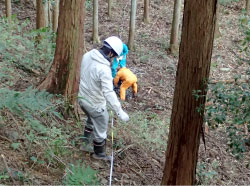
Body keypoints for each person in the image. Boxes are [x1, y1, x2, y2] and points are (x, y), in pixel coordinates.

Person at [78, 36, 129, 161]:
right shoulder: (103, 69)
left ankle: (85, 143)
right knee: (101, 125)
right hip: (95, 104)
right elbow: (109, 93)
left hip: (82, 98)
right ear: (111, 53)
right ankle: (99, 154)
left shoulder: (87, 55)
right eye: (113, 56)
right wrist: (119, 111)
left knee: (91, 119)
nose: (113, 59)